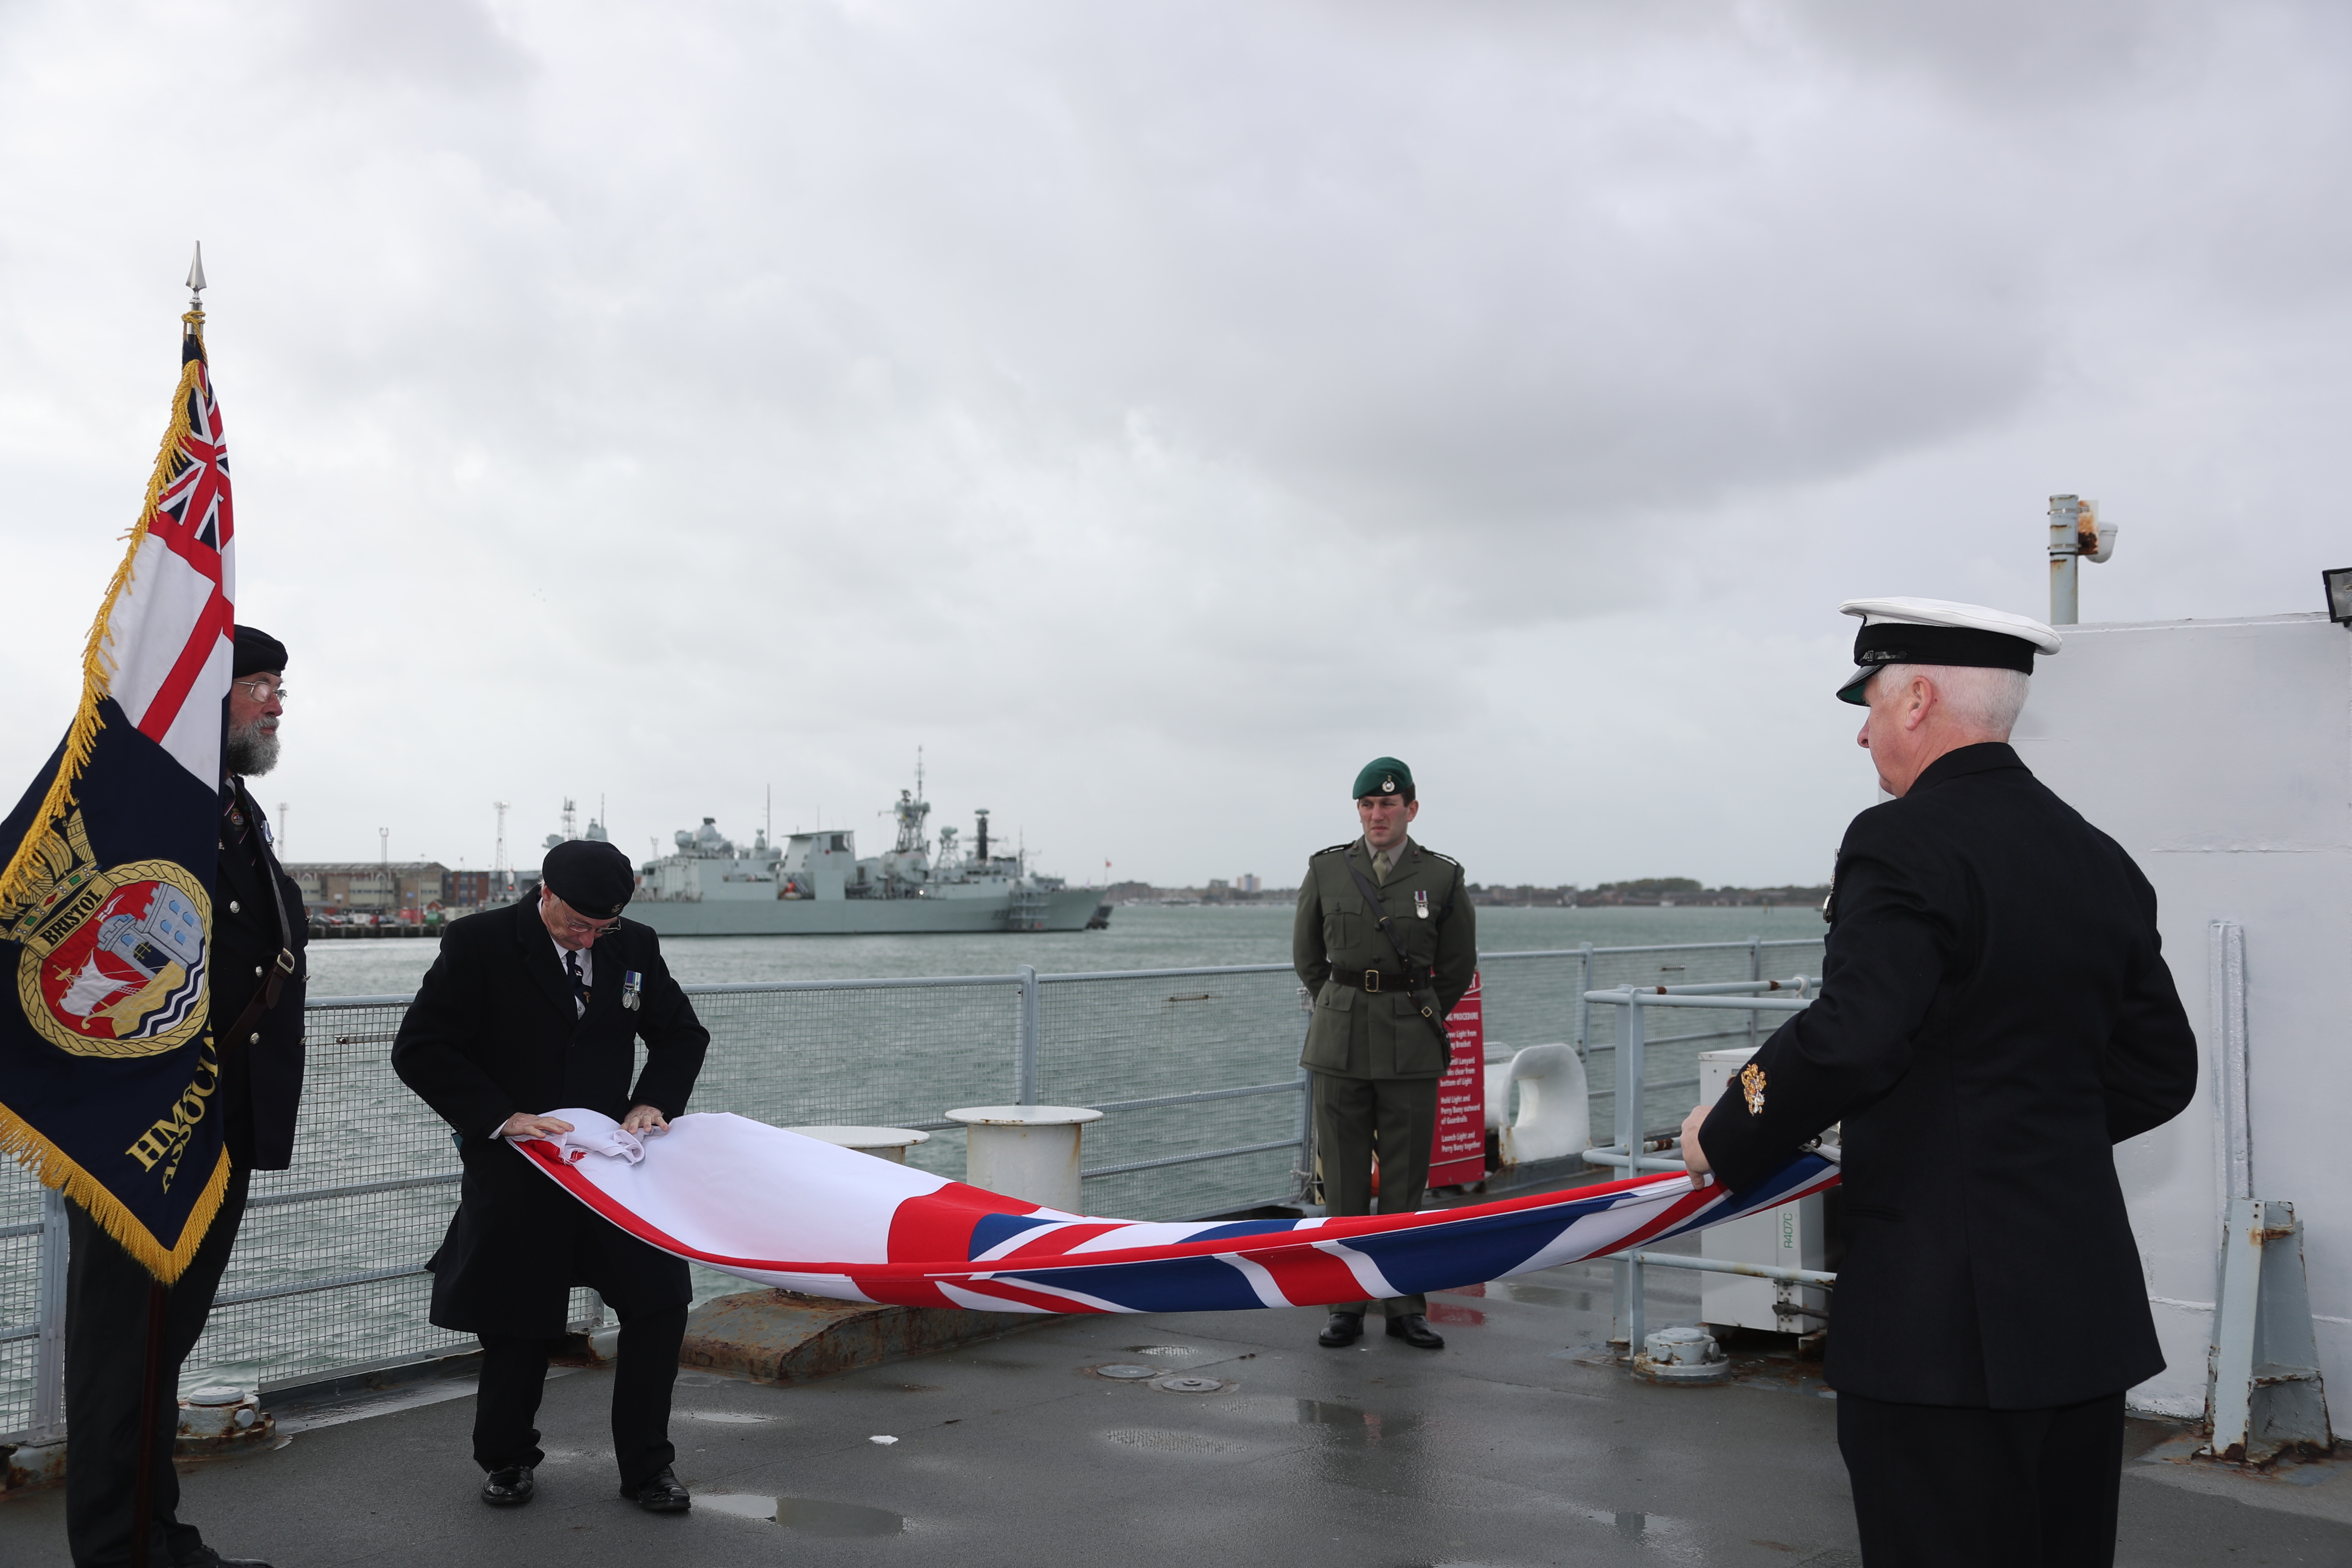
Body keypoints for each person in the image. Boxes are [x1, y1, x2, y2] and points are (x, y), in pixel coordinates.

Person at [1677, 597, 2198, 1568]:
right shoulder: (2099, 859)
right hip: (2079, 1318)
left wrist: (1729, 1129)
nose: (1862, 730)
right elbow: (2162, 1070)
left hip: (1936, 1331)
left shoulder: (1901, 840)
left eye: (1869, 701)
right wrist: (2013, 1135)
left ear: (1917, 699)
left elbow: (1850, 1038)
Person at [64, 624, 307, 1568]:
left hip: (220, 1123)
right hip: (148, 1129)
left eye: (280, 687)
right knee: (122, 1359)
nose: (276, 704)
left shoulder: (232, 808)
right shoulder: (150, 808)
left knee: (160, 1354)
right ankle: (119, 1550)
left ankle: (155, 1535)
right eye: (259, 685)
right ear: (206, 696)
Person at [390, 837, 709, 1514]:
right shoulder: (477, 942)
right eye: (577, 925)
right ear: (546, 893)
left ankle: (649, 1468)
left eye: (604, 927)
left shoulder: (635, 947)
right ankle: (507, 1460)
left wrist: (652, 1101)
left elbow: (682, 1034)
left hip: (611, 1173)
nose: (590, 937)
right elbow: (421, 1047)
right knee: (519, 1320)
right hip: (518, 1165)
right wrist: (502, 1116)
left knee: (660, 1301)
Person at [1292, 756, 1476, 1352]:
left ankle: (1404, 1306)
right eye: (1368, 806)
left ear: (1411, 810)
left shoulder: (1442, 877)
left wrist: (1408, 1011)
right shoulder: (1327, 870)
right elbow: (1308, 958)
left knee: (1403, 1185)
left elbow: (1453, 968)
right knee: (1343, 1184)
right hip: (1339, 1042)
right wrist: (1343, 1006)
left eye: (1389, 805)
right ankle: (1345, 1305)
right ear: (1360, 812)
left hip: (1410, 1043)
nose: (1378, 814)